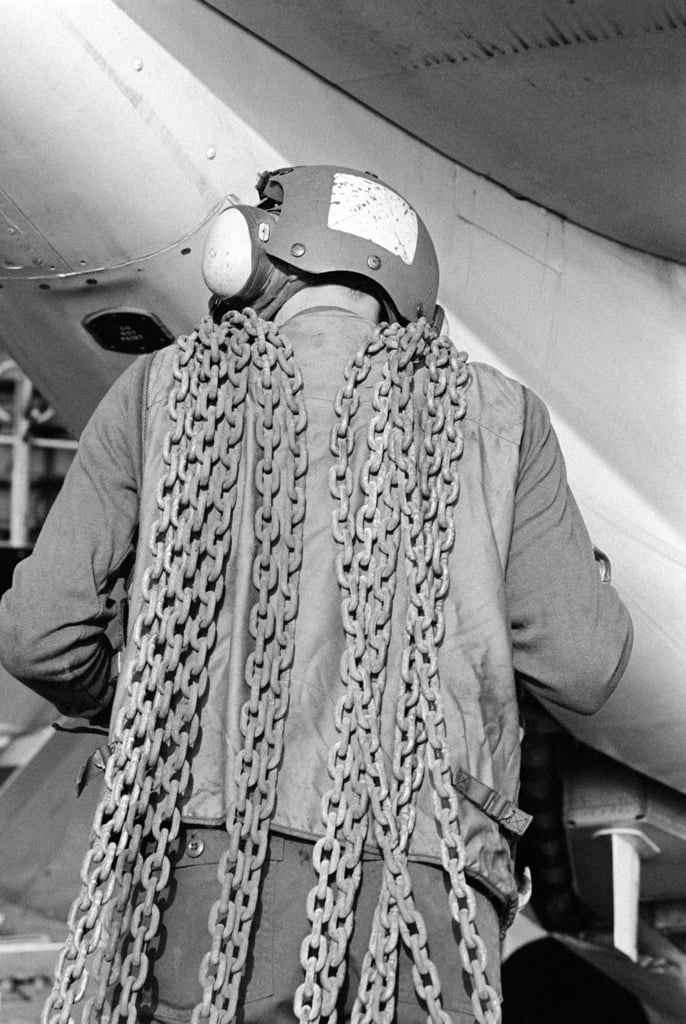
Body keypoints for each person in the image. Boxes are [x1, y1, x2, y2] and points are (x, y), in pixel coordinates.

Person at [0, 165, 632, 1024]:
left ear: (250, 263)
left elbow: (40, 633)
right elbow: (584, 665)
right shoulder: (499, 417)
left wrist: (160, 702)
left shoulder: (161, 391)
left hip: (211, 878)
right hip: (428, 891)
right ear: (409, 297)